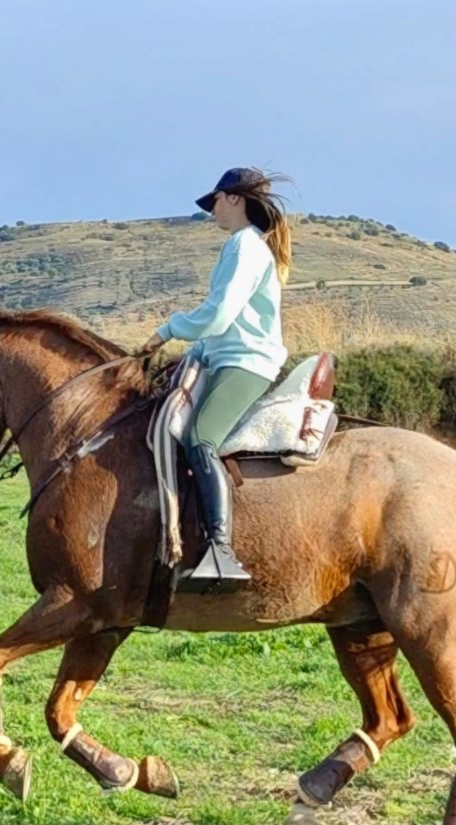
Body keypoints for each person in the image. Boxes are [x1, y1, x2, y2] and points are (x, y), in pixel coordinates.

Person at [139, 168, 291, 586]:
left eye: (216, 202)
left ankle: (221, 551)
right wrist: (191, 352)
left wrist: (167, 330)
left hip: (247, 364)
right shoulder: (240, 247)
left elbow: (219, 314)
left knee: (200, 437)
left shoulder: (245, 247)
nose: (213, 212)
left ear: (235, 199)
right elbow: (224, 327)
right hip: (226, 357)